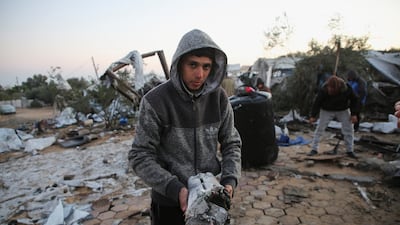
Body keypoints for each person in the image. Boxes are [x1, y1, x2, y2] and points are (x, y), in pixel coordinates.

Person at [128, 29, 242, 225]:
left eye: (206, 67)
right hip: (169, 203)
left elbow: (231, 142)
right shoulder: (155, 101)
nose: (200, 74)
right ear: (179, 64)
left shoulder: (219, 98)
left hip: (211, 200)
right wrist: (175, 189)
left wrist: (229, 181)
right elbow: (139, 155)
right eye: (193, 65)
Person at [307, 75, 360, 158]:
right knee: (320, 129)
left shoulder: (346, 88)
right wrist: (313, 115)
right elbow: (317, 102)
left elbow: (355, 100)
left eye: (333, 90)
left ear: (338, 88)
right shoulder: (323, 89)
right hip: (326, 110)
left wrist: (354, 114)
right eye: (329, 89)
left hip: (343, 110)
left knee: (349, 129)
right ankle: (314, 149)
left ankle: (350, 150)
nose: (330, 90)